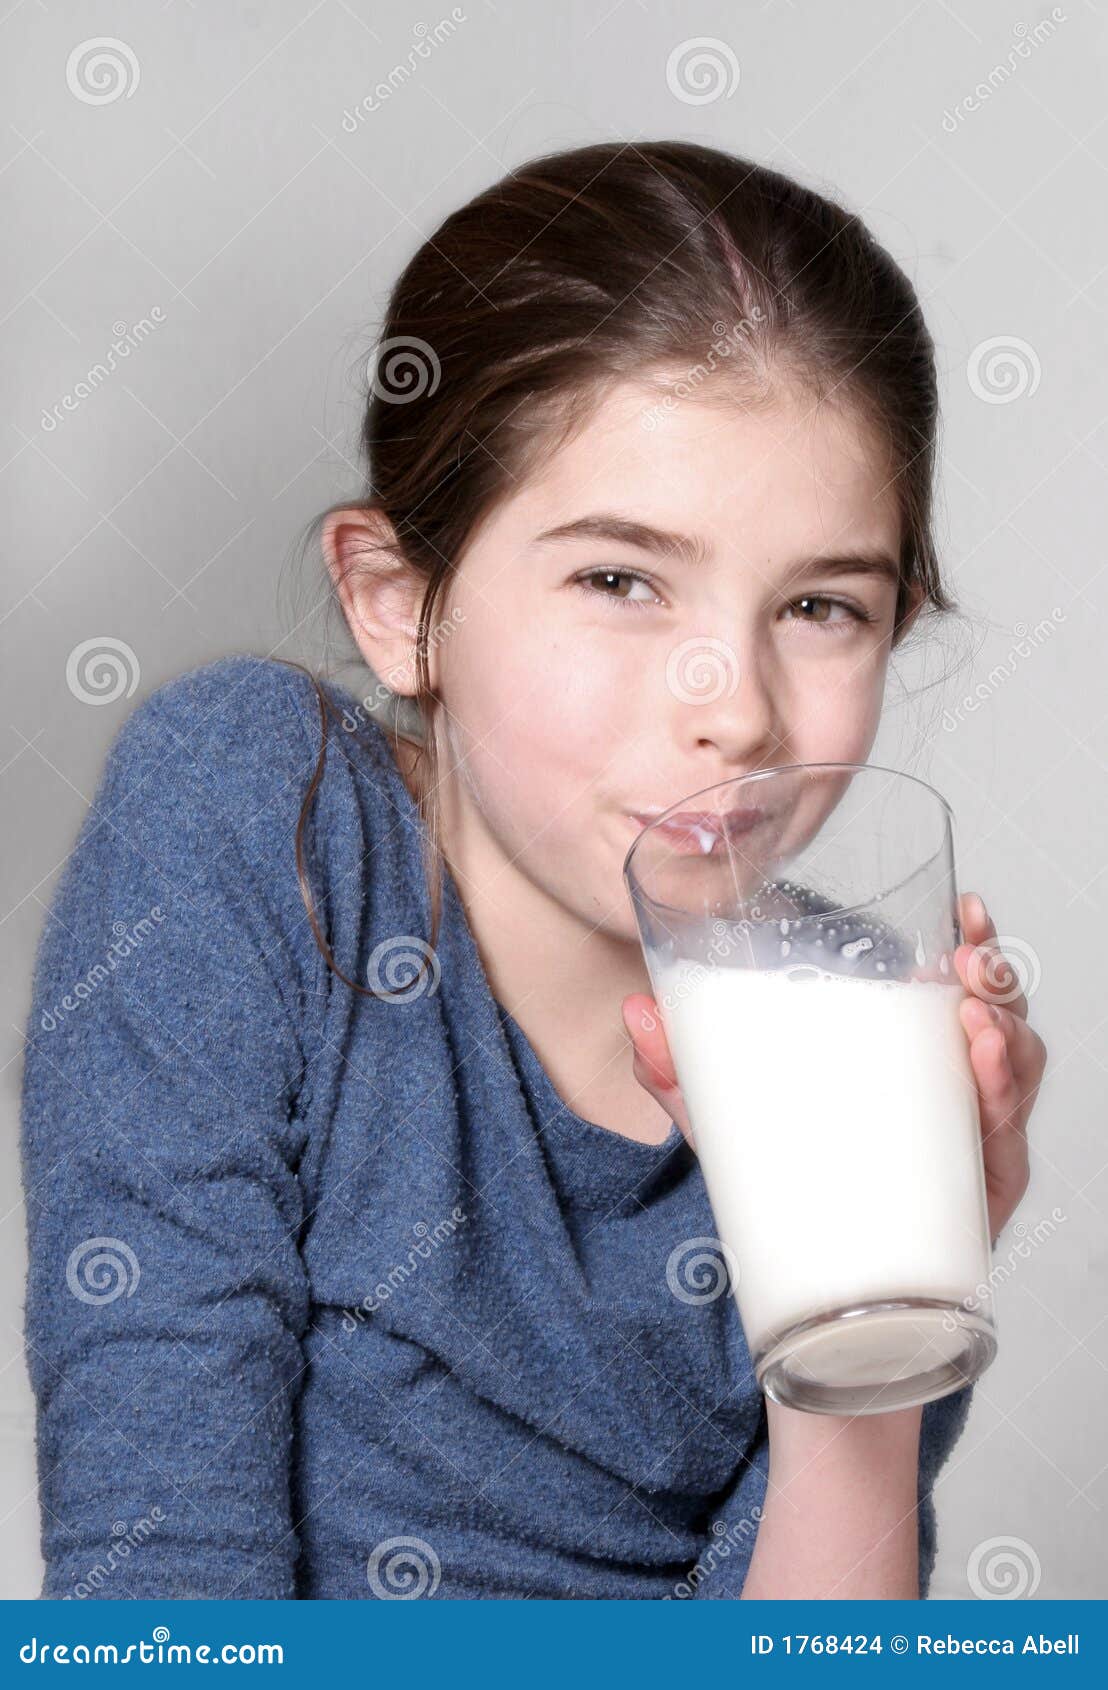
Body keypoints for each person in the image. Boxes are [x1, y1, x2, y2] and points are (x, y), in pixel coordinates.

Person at [20, 139, 1046, 1601]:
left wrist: (880, 1324)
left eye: (821, 604)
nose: (736, 704)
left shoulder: (852, 1027)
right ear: (399, 607)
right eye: (621, 579)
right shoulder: (272, 818)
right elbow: (161, 1602)